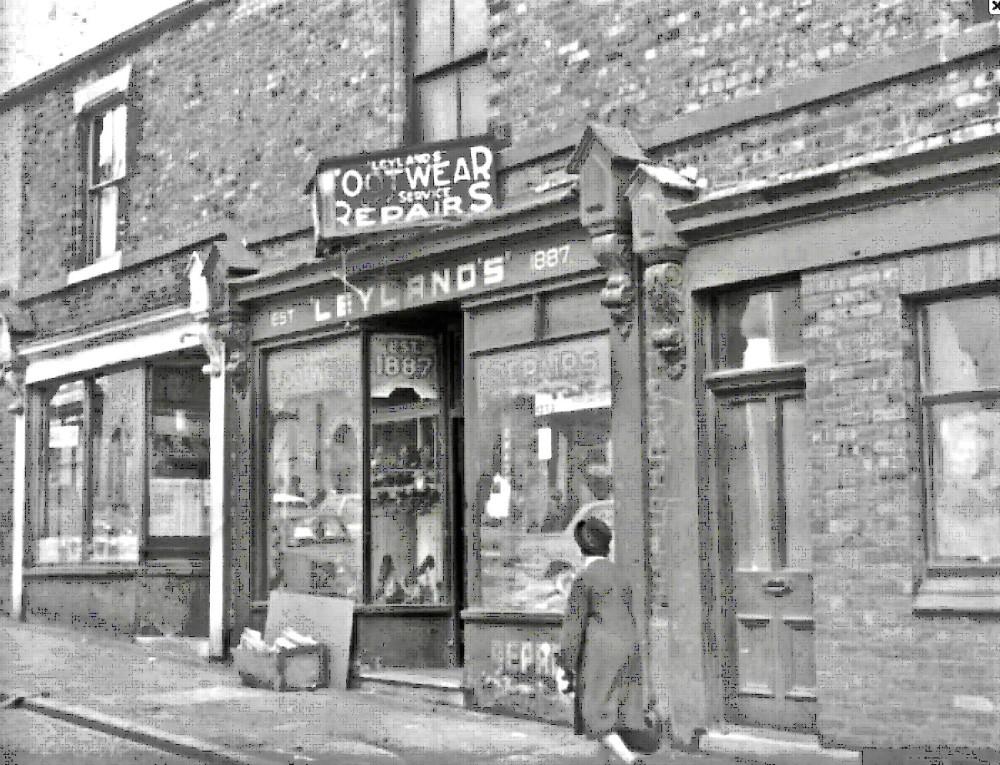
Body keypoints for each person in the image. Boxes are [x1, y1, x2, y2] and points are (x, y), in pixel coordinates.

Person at [558, 518, 647, 765]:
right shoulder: (621, 575)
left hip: (600, 654)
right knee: (613, 710)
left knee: (594, 713)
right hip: (628, 648)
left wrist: (565, 665)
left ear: (581, 547)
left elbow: (573, 628)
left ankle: (630, 759)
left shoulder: (584, 579)